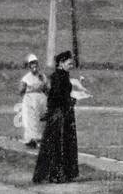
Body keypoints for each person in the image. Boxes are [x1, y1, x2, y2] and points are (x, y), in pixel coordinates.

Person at [32, 51, 80, 184]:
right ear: (61, 63)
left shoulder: (62, 75)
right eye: (69, 63)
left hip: (62, 113)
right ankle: (56, 174)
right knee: (59, 143)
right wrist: (70, 100)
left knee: (59, 143)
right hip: (60, 114)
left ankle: (57, 174)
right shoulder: (59, 76)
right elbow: (57, 96)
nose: (71, 66)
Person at [18, 54, 48, 147]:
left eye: (35, 63)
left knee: (41, 118)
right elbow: (21, 90)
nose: (34, 66)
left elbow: (47, 87)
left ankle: (40, 138)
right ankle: (31, 139)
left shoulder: (42, 76)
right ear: (29, 66)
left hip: (41, 99)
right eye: (31, 64)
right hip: (30, 100)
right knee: (31, 119)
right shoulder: (26, 78)